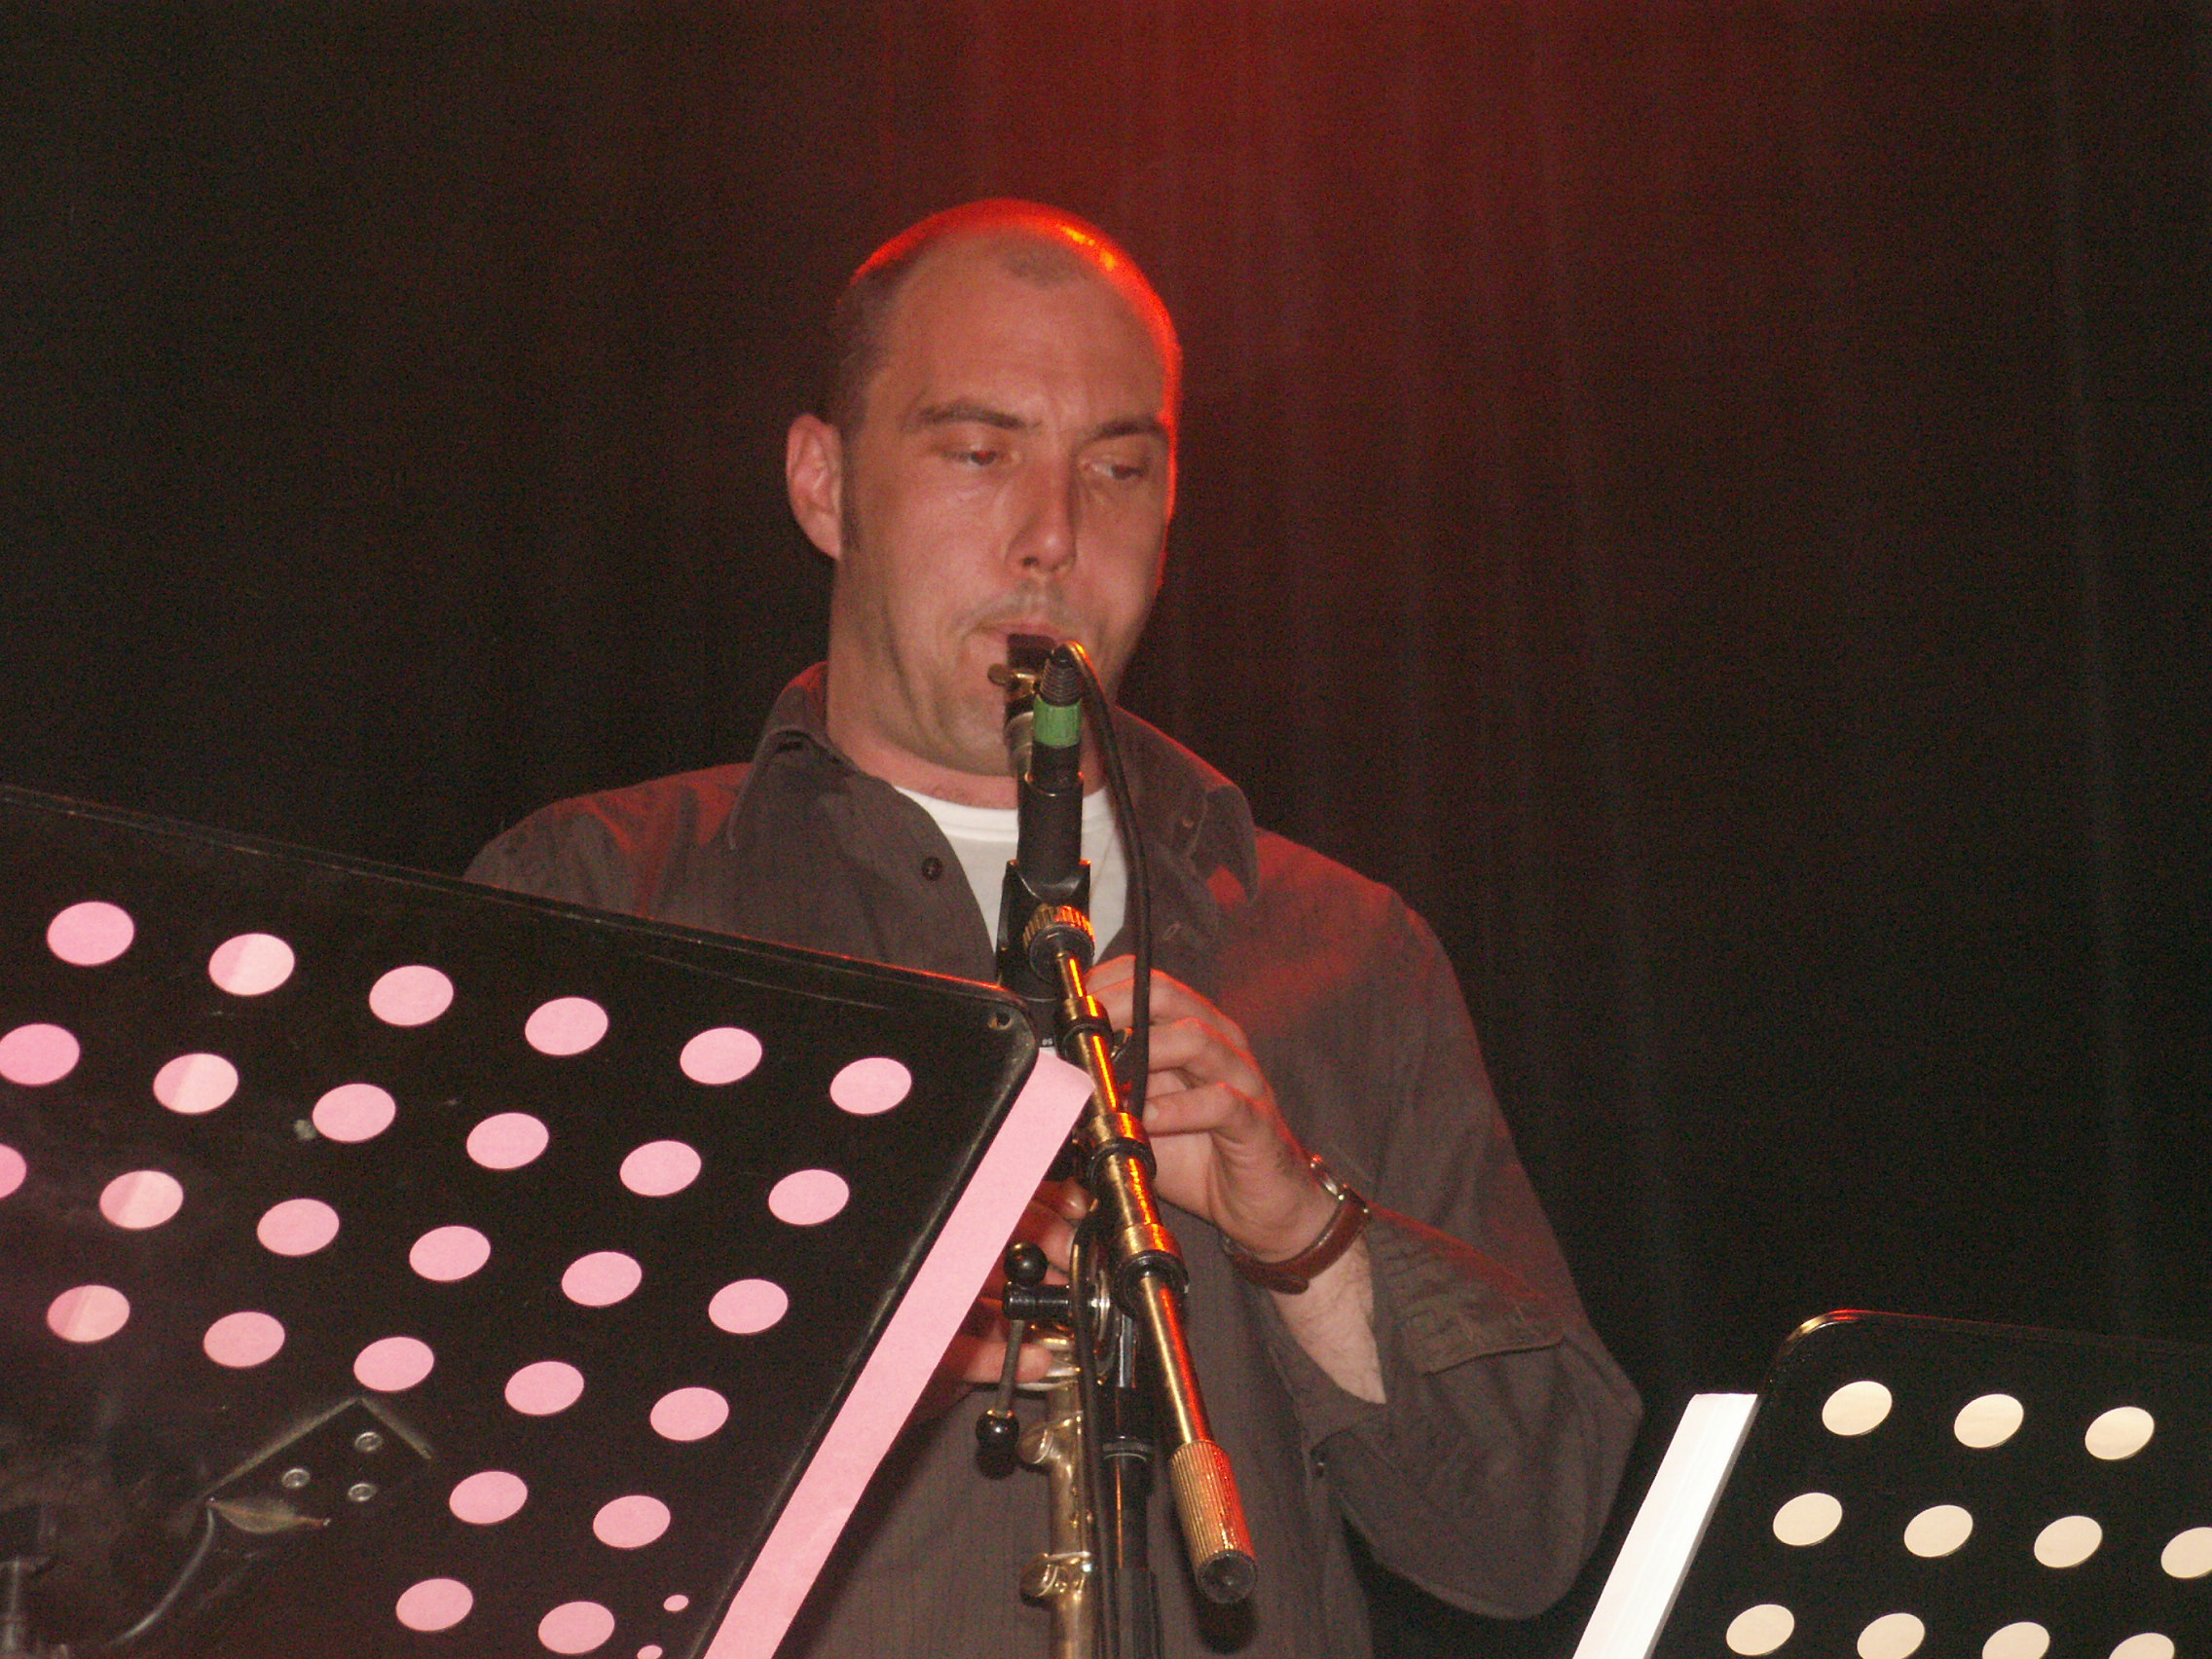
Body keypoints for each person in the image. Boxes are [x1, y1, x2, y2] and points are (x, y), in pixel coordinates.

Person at [466, 200, 1640, 1658]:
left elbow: (1529, 1537)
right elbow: (433, 1452)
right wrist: (855, 1336)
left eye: (1118, 468)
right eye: (978, 453)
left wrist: (1304, 1237)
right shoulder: (606, 898)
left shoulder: (1347, 947)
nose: (1053, 539)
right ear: (824, 484)